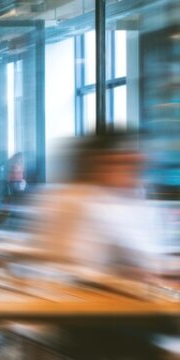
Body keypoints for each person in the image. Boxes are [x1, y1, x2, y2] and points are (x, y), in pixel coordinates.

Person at [33, 133, 169, 358]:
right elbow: (73, 263)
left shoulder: (126, 198)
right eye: (124, 163)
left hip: (102, 311)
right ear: (96, 163)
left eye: (136, 165)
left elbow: (146, 258)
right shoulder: (82, 199)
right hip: (98, 315)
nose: (134, 172)